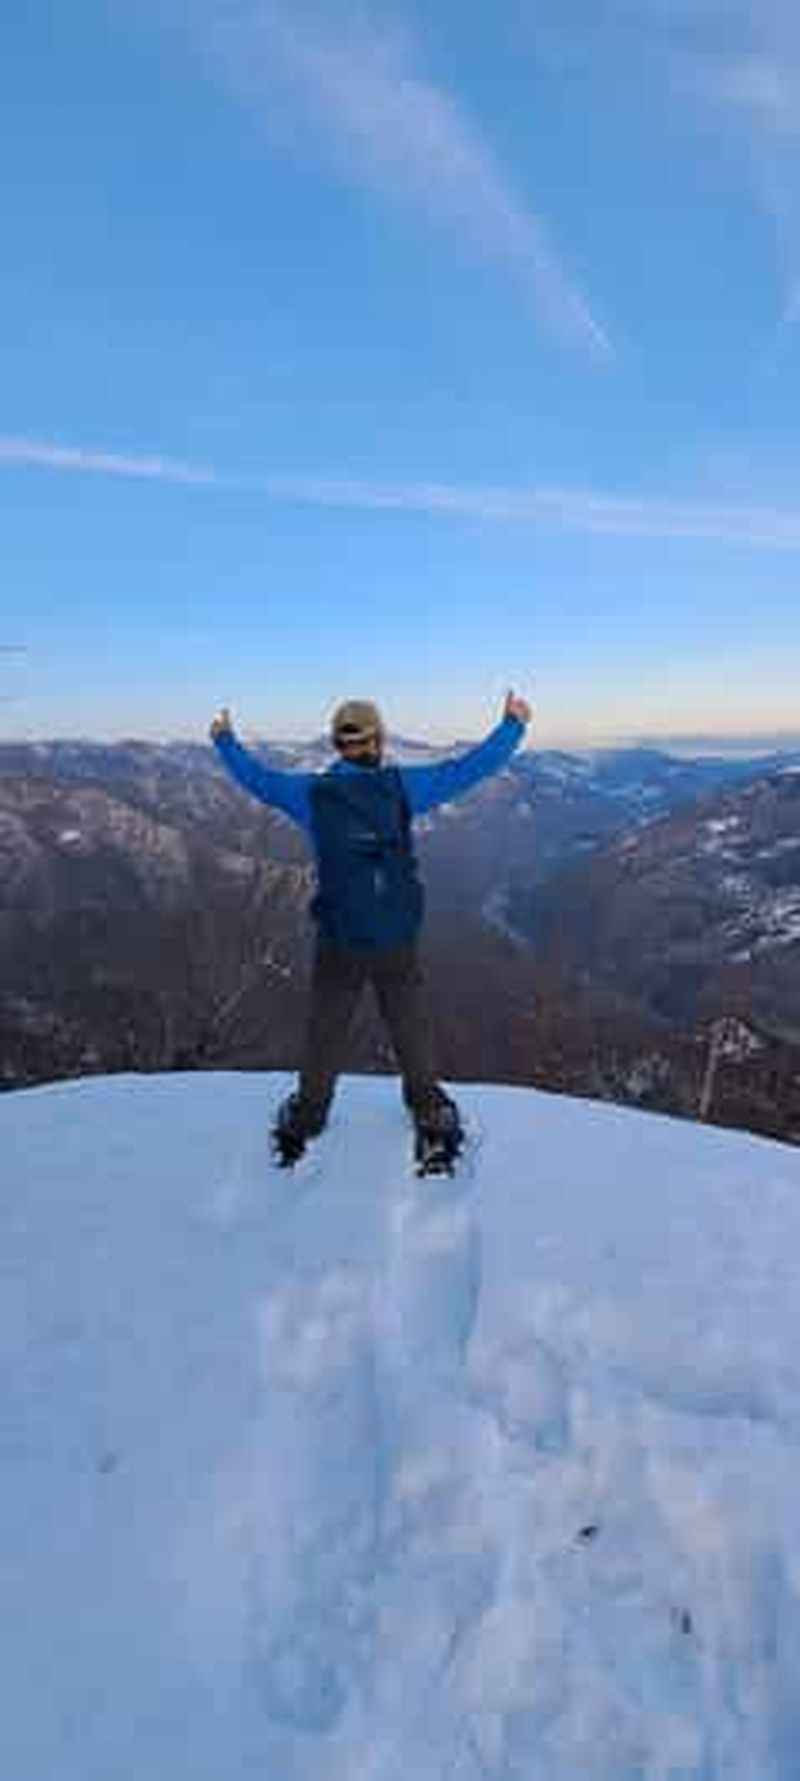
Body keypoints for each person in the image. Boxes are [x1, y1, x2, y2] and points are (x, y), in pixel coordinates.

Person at [210, 690, 532, 1168]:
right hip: (395, 934)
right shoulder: (403, 788)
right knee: (409, 1024)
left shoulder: (311, 795)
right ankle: (427, 1108)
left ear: (337, 744)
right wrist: (512, 725)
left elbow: (257, 779)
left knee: (326, 1029)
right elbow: (470, 769)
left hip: (340, 936)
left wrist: (225, 740)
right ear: (378, 740)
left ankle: (308, 1115)